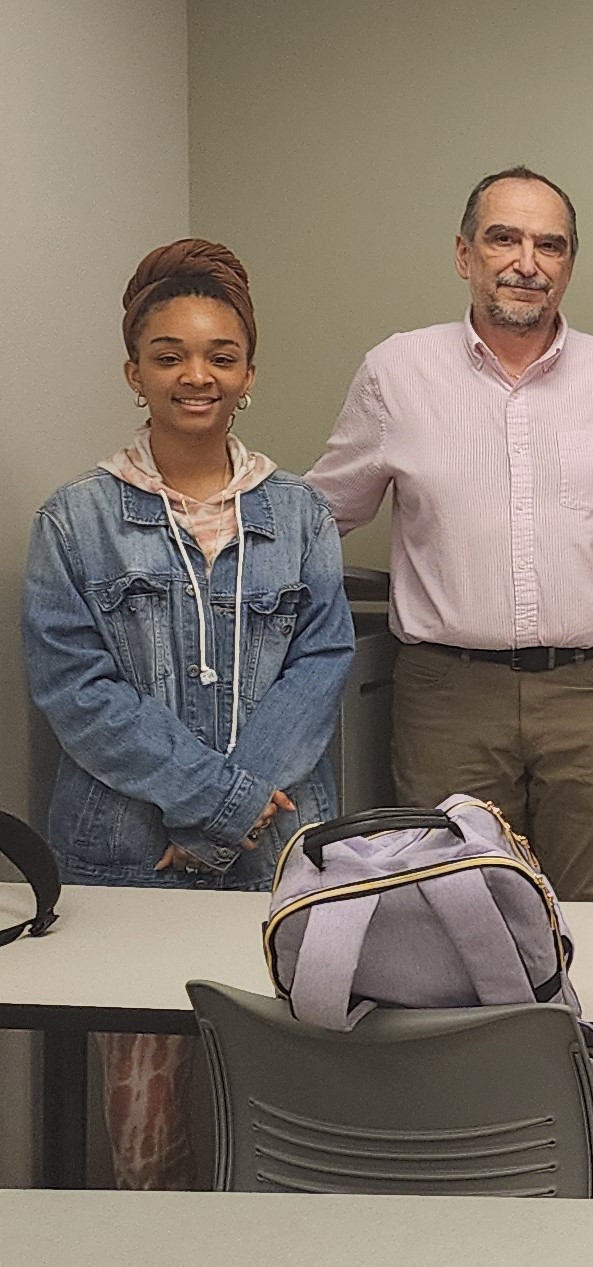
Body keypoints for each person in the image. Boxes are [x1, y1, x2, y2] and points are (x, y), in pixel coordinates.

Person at [22, 239, 353, 1188]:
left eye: (219, 355)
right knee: (146, 1122)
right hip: (126, 855)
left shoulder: (299, 515)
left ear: (248, 371)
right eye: (168, 356)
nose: (194, 375)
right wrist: (215, 802)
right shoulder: (74, 520)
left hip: (276, 851)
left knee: (284, 1100)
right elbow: (77, 690)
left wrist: (226, 814)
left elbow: (322, 662)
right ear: (134, 372)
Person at [305, 166, 593, 902]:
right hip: (449, 699)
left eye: (550, 245)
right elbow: (317, 518)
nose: (526, 262)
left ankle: (581, 1029)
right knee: (452, 912)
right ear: (464, 254)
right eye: (503, 239)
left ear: (569, 263)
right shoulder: (397, 373)